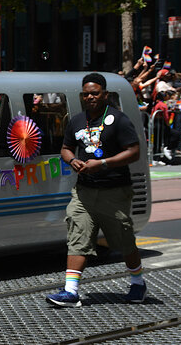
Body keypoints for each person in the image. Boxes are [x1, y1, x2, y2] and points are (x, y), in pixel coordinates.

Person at [46, 73, 145, 308]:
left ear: (105, 94)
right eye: (86, 93)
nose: (90, 96)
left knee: (124, 241)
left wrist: (102, 163)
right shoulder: (77, 121)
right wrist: (73, 161)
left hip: (114, 192)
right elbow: (66, 148)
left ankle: (138, 283)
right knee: (77, 237)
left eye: (95, 93)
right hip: (84, 192)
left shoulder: (119, 120)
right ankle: (71, 292)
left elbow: (134, 151)